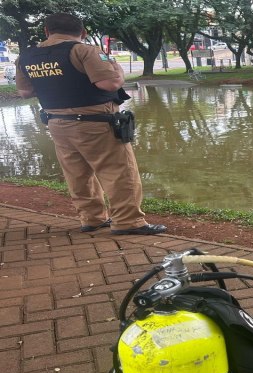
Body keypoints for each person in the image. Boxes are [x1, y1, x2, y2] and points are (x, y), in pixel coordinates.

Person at [15, 13, 166, 235]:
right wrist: (118, 70)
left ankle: (92, 218)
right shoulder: (84, 50)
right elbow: (109, 83)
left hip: (57, 123)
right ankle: (128, 222)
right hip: (95, 123)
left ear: (47, 31)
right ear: (83, 33)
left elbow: (25, 92)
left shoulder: (26, 57)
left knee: (77, 174)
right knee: (118, 171)